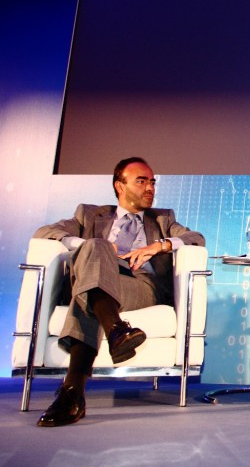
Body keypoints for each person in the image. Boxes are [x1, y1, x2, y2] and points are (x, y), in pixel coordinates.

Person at [32, 157, 205, 427]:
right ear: (120, 186)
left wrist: (158, 246)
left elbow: (196, 238)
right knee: (95, 259)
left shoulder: (163, 218)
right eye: (141, 181)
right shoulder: (89, 214)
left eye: (152, 182)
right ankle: (114, 333)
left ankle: (72, 391)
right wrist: (88, 245)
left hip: (139, 285)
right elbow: (45, 231)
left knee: (87, 292)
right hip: (97, 274)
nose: (150, 188)